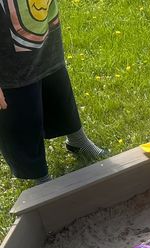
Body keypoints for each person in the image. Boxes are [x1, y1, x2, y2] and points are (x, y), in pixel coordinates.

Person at [0, 1, 107, 184]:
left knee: (55, 79)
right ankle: (39, 175)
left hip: (36, 17)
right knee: (21, 103)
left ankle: (77, 140)